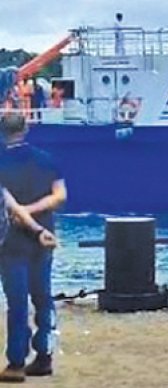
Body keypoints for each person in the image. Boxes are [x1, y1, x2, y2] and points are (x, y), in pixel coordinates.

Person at [0, 113, 64, 381]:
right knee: (43, 297)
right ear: (26, 129)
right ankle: (44, 356)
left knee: (17, 301)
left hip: (11, 240)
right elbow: (60, 196)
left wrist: (22, 211)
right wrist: (35, 211)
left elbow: (9, 205)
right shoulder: (46, 159)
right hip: (44, 234)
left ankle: (16, 361)